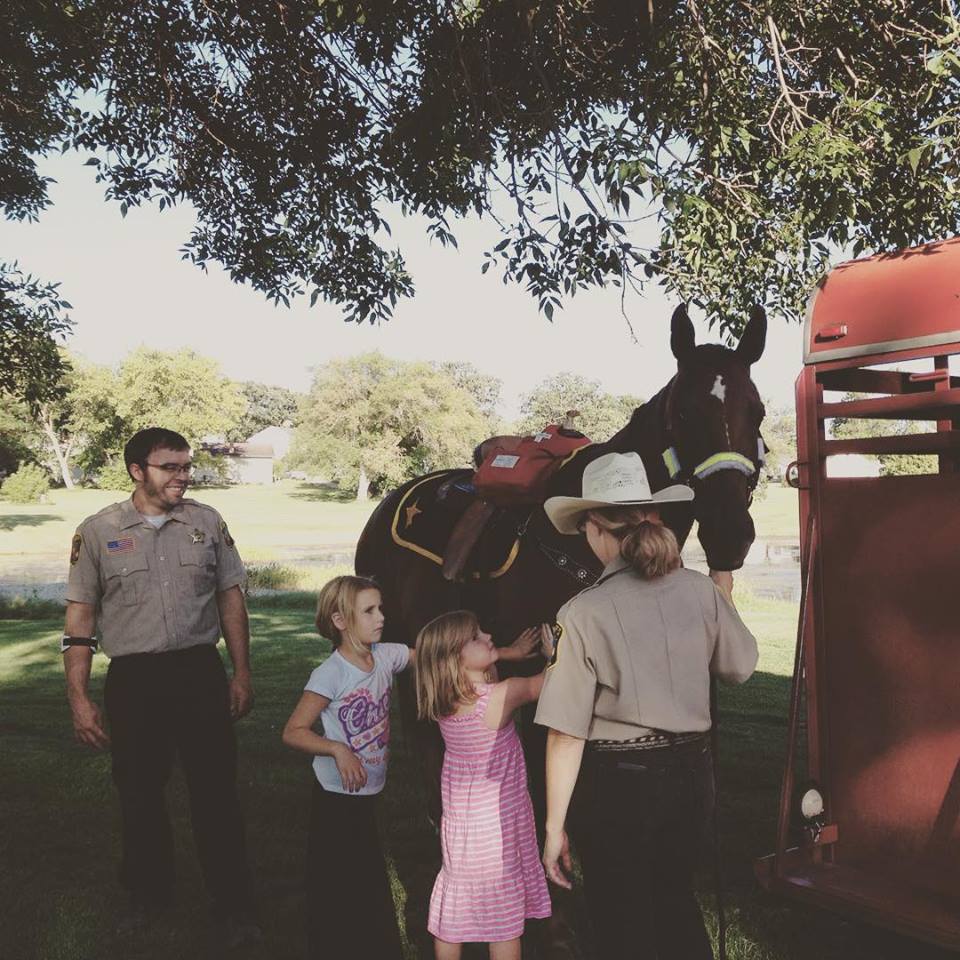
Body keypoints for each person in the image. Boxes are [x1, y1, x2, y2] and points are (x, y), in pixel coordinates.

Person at [535, 451, 758, 960]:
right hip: (692, 779)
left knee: (622, 922)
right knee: (676, 904)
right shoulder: (700, 591)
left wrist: (553, 829)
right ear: (653, 519)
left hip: (621, 785)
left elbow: (566, 733)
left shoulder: (582, 610)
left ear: (594, 529)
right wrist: (721, 599)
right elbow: (740, 666)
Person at [61, 427, 258, 945]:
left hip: (198, 672)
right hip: (135, 682)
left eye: (186, 466)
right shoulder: (98, 531)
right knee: (139, 794)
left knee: (216, 791)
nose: (183, 476)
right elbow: (79, 616)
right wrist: (78, 698)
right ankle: (148, 896)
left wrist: (241, 672)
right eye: (170, 467)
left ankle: (233, 904)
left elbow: (230, 600)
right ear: (136, 471)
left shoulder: (206, 522)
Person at [281, 575, 413, 959]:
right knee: (337, 882)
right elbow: (293, 731)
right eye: (369, 611)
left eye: (381, 608)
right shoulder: (331, 674)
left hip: (367, 792)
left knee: (366, 877)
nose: (381, 617)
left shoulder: (385, 656)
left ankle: (371, 944)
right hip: (336, 798)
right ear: (340, 621)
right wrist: (337, 748)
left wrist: (502, 652)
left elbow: (433, 652)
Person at [415, 610, 553, 960]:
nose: (489, 637)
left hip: (461, 823)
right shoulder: (501, 696)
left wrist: (507, 653)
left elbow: (474, 665)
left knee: (457, 897)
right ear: (456, 657)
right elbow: (549, 683)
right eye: (477, 637)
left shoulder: (445, 697)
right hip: (498, 824)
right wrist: (553, 656)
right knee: (504, 919)